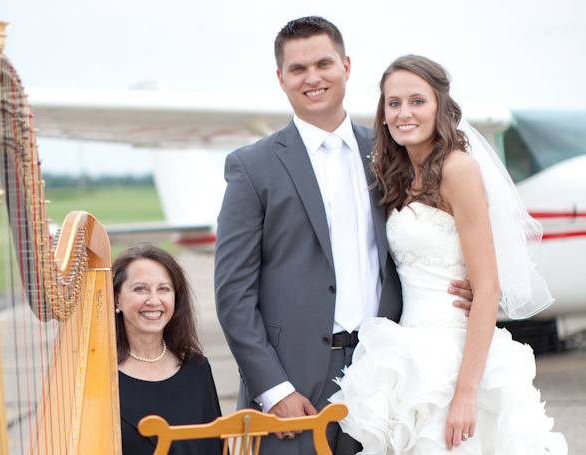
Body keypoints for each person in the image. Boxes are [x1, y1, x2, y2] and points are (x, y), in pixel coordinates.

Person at [214, 17, 473, 454]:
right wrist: (273, 388)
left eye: (323, 64)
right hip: (292, 384)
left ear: (347, 67)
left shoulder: (392, 153)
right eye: (298, 69)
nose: (313, 78)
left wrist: (464, 289)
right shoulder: (251, 167)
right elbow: (232, 292)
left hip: (384, 371)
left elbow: (432, 235)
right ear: (281, 79)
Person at [329, 55, 568, 454]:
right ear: (383, 114)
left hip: (456, 356)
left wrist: (465, 394)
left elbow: (488, 288)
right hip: (408, 352)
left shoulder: (458, 169)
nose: (404, 112)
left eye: (417, 101)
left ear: (440, 105)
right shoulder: (398, 174)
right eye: (394, 103)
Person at [114, 244, 222, 455]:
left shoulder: (197, 368)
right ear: (117, 299)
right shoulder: (98, 378)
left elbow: (215, 448)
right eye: (140, 289)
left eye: (163, 289)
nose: (154, 301)